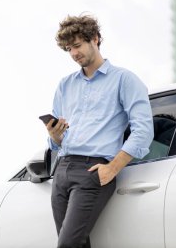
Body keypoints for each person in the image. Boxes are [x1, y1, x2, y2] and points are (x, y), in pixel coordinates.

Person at [45, 14, 154, 248]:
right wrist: (55, 137)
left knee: (67, 245)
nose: (73, 53)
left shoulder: (124, 79)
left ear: (95, 39)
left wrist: (112, 168)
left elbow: (143, 130)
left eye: (77, 45)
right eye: (68, 49)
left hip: (92, 171)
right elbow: (57, 141)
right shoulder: (65, 85)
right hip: (62, 171)